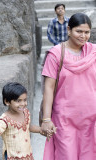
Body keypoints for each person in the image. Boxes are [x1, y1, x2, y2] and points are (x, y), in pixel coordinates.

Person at [41, 13, 96, 160]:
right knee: (66, 155)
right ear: (69, 30)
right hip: (65, 119)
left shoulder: (94, 52)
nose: (83, 36)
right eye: (79, 31)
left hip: (91, 118)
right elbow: (49, 88)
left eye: (87, 32)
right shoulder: (56, 54)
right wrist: (46, 119)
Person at [0, 82, 50, 160]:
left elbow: (28, 127)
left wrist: (42, 130)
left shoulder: (25, 112)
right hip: (13, 157)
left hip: (27, 155)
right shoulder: (5, 120)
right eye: (18, 101)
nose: (23, 104)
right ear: (7, 101)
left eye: (25, 100)